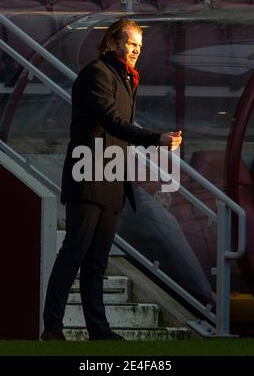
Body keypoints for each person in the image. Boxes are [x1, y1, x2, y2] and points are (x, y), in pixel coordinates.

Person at [41, 19, 182, 341]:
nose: (136, 52)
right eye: (132, 45)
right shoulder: (97, 73)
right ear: (114, 42)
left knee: (97, 261)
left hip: (113, 178)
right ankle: (52, 327)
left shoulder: (125, 78)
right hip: (89, 175)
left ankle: (99, 330)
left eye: (140, 47)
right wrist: (155, 138)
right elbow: (112, 122)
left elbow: (118, 128)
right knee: (74, 253)